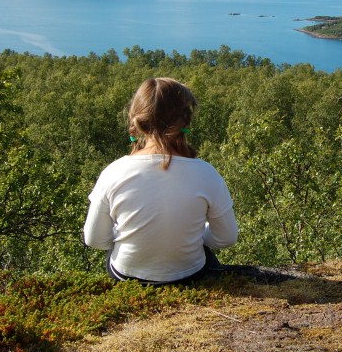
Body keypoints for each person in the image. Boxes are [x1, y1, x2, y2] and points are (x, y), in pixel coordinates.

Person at [83, 77, 238, 285]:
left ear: (138, 120)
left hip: (127, 276)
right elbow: (226, 238)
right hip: (189, 275)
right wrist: (192, 234)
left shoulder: (114, 172)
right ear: (185, 121)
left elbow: (95, 240)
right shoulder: (206, 173)